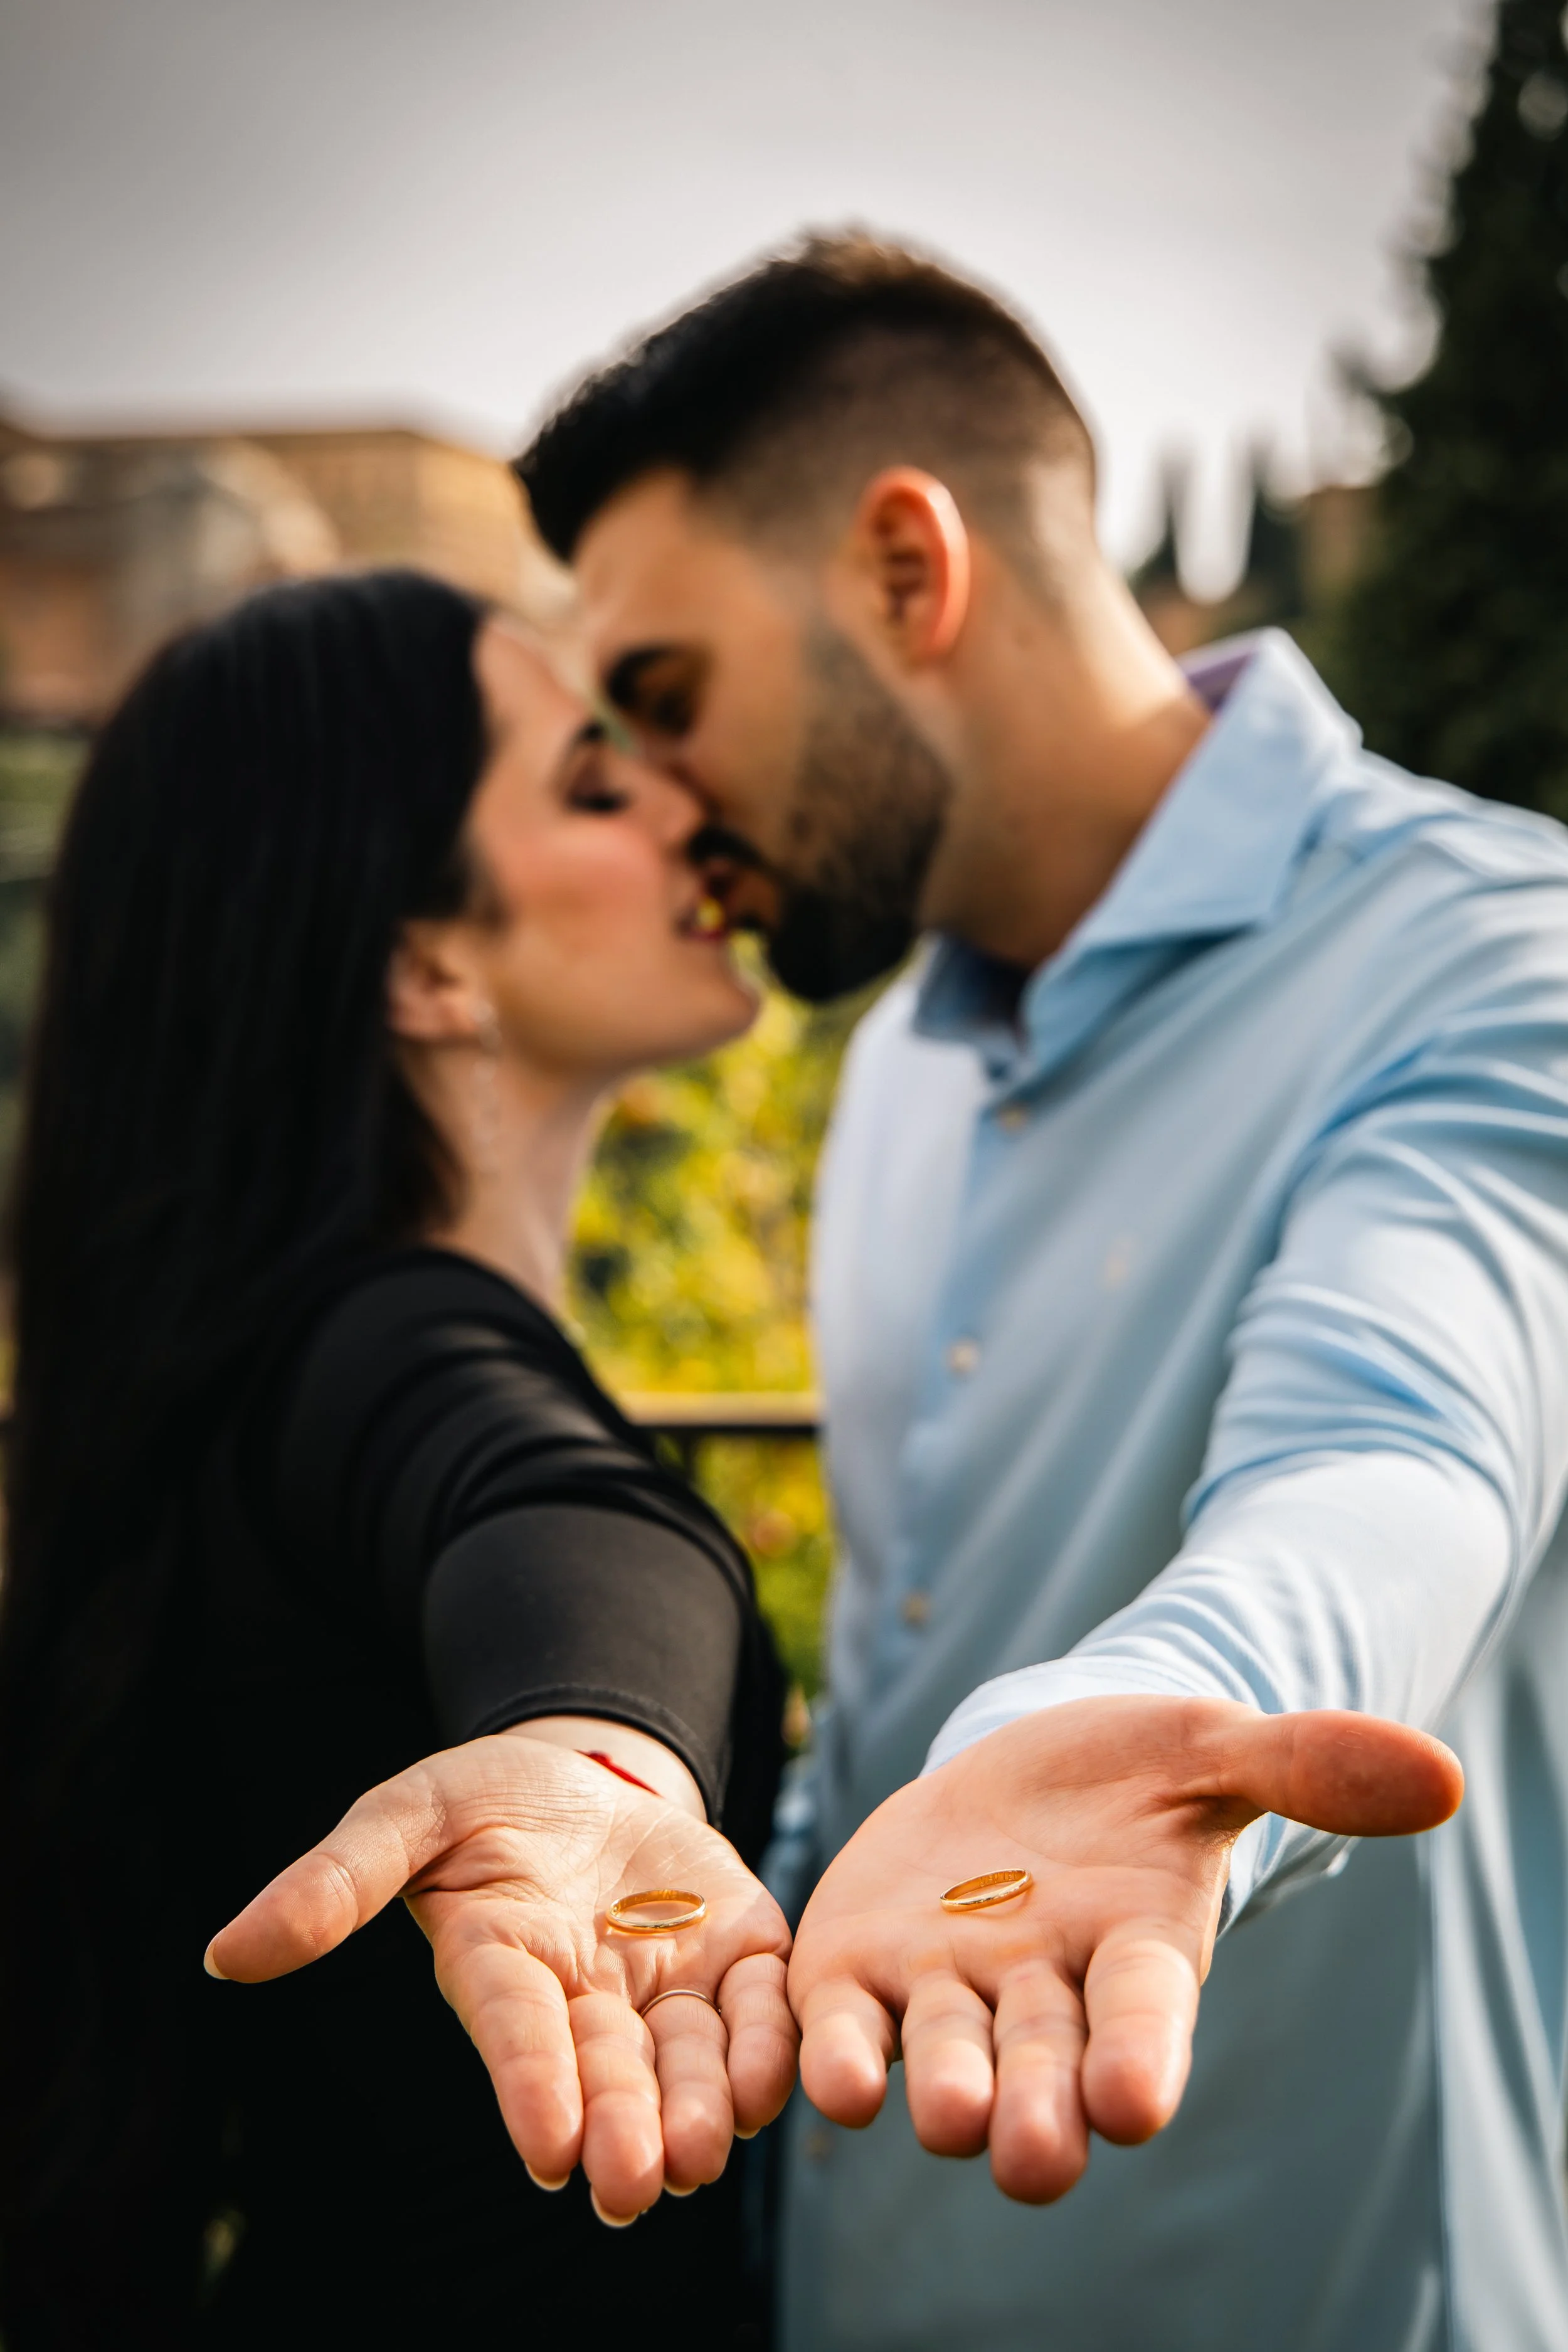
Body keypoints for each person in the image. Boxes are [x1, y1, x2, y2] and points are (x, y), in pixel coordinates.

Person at [492, 232, 1567, 2350]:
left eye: (673, 696)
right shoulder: (889, 1060)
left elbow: (1397, 1447)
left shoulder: (1496, 958)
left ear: (908, 565)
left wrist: (1152, 1709)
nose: (666, 810)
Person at [0, 569, 798, 2349]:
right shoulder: (382, 1347)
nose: (688, 801)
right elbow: (539, 1495)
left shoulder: (271, 1342)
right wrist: (598, 1746)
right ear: (423, 960)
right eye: (595, 783)